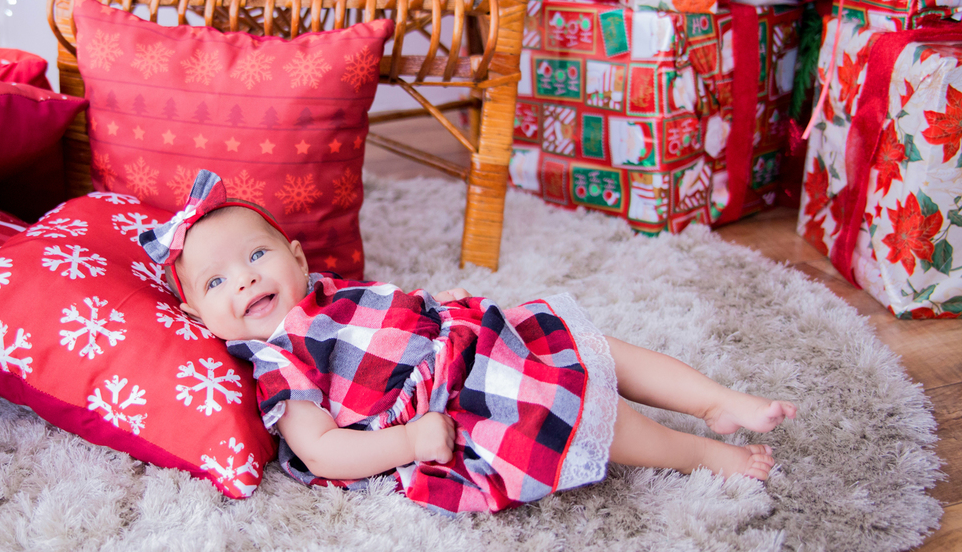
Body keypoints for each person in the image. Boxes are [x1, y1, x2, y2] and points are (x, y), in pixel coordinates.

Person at [140, 170, 797, 513]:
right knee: (577, 409)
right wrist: (408, 443)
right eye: (218, 279)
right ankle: (696, 454)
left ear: (299, 259)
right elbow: (320, 450)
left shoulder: (319, 295)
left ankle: (714, 398)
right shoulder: (281, 364)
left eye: (257, 254)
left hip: (471, 334)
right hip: (456, 405)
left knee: (592, 344)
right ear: (200, 319)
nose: (247, 276)